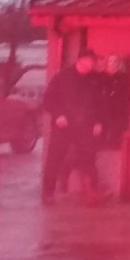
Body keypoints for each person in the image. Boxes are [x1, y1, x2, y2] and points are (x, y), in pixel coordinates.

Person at [42, 48, 107, 204]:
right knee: (55, 158)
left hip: (85, 125)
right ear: (82, 60)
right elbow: (48, 99)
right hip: (63, 125)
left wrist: (98, 121)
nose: (94, 64)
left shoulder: (95, 79)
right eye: (92, 61)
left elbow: (100, 103)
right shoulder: (63, 77)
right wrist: (58, 115)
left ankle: (91, 193)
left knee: (88, 158)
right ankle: (48, 193)